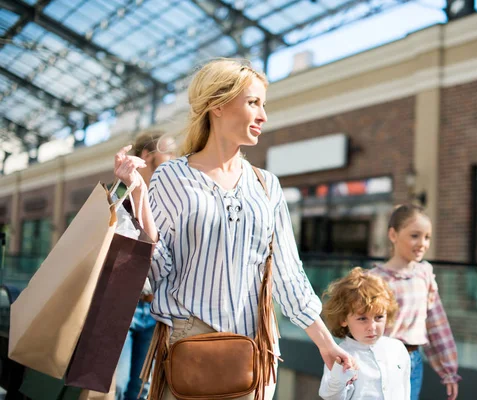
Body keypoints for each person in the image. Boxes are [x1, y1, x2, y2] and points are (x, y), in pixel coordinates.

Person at [113, 58, 356, 400]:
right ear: (217, 105)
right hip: (188, 344)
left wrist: (326, 344)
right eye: (253, 103)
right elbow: (158, 269)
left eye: (264, 105)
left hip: (253, 349)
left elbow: (289, 274)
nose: (263, 116)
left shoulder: (267, 185)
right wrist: (138, 193)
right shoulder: (171, 178)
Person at [370, 204, 461, 400]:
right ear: (393, 235)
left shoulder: (424, 274)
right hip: (379, 363)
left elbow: (437, 325)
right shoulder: (373, 279)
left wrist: (449, 371)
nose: (422, 243)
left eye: (427, 237)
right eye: (414, 236)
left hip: (413, 363)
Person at [115, 130, 176, 400]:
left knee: (142, 390)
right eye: (169, 151)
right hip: (121, 305)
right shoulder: (120, 198)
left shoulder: (171, 201)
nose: (175, 158)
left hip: (154, 308)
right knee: (113, 387)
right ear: (147, 156)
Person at [319, 267, 410, 400]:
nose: (372, 327)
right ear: (343, 319)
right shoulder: (340, 355)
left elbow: (405, 391)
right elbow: (330, 396)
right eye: (362, 319)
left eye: (379, 317)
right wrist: (340, 374)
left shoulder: (398, 349)